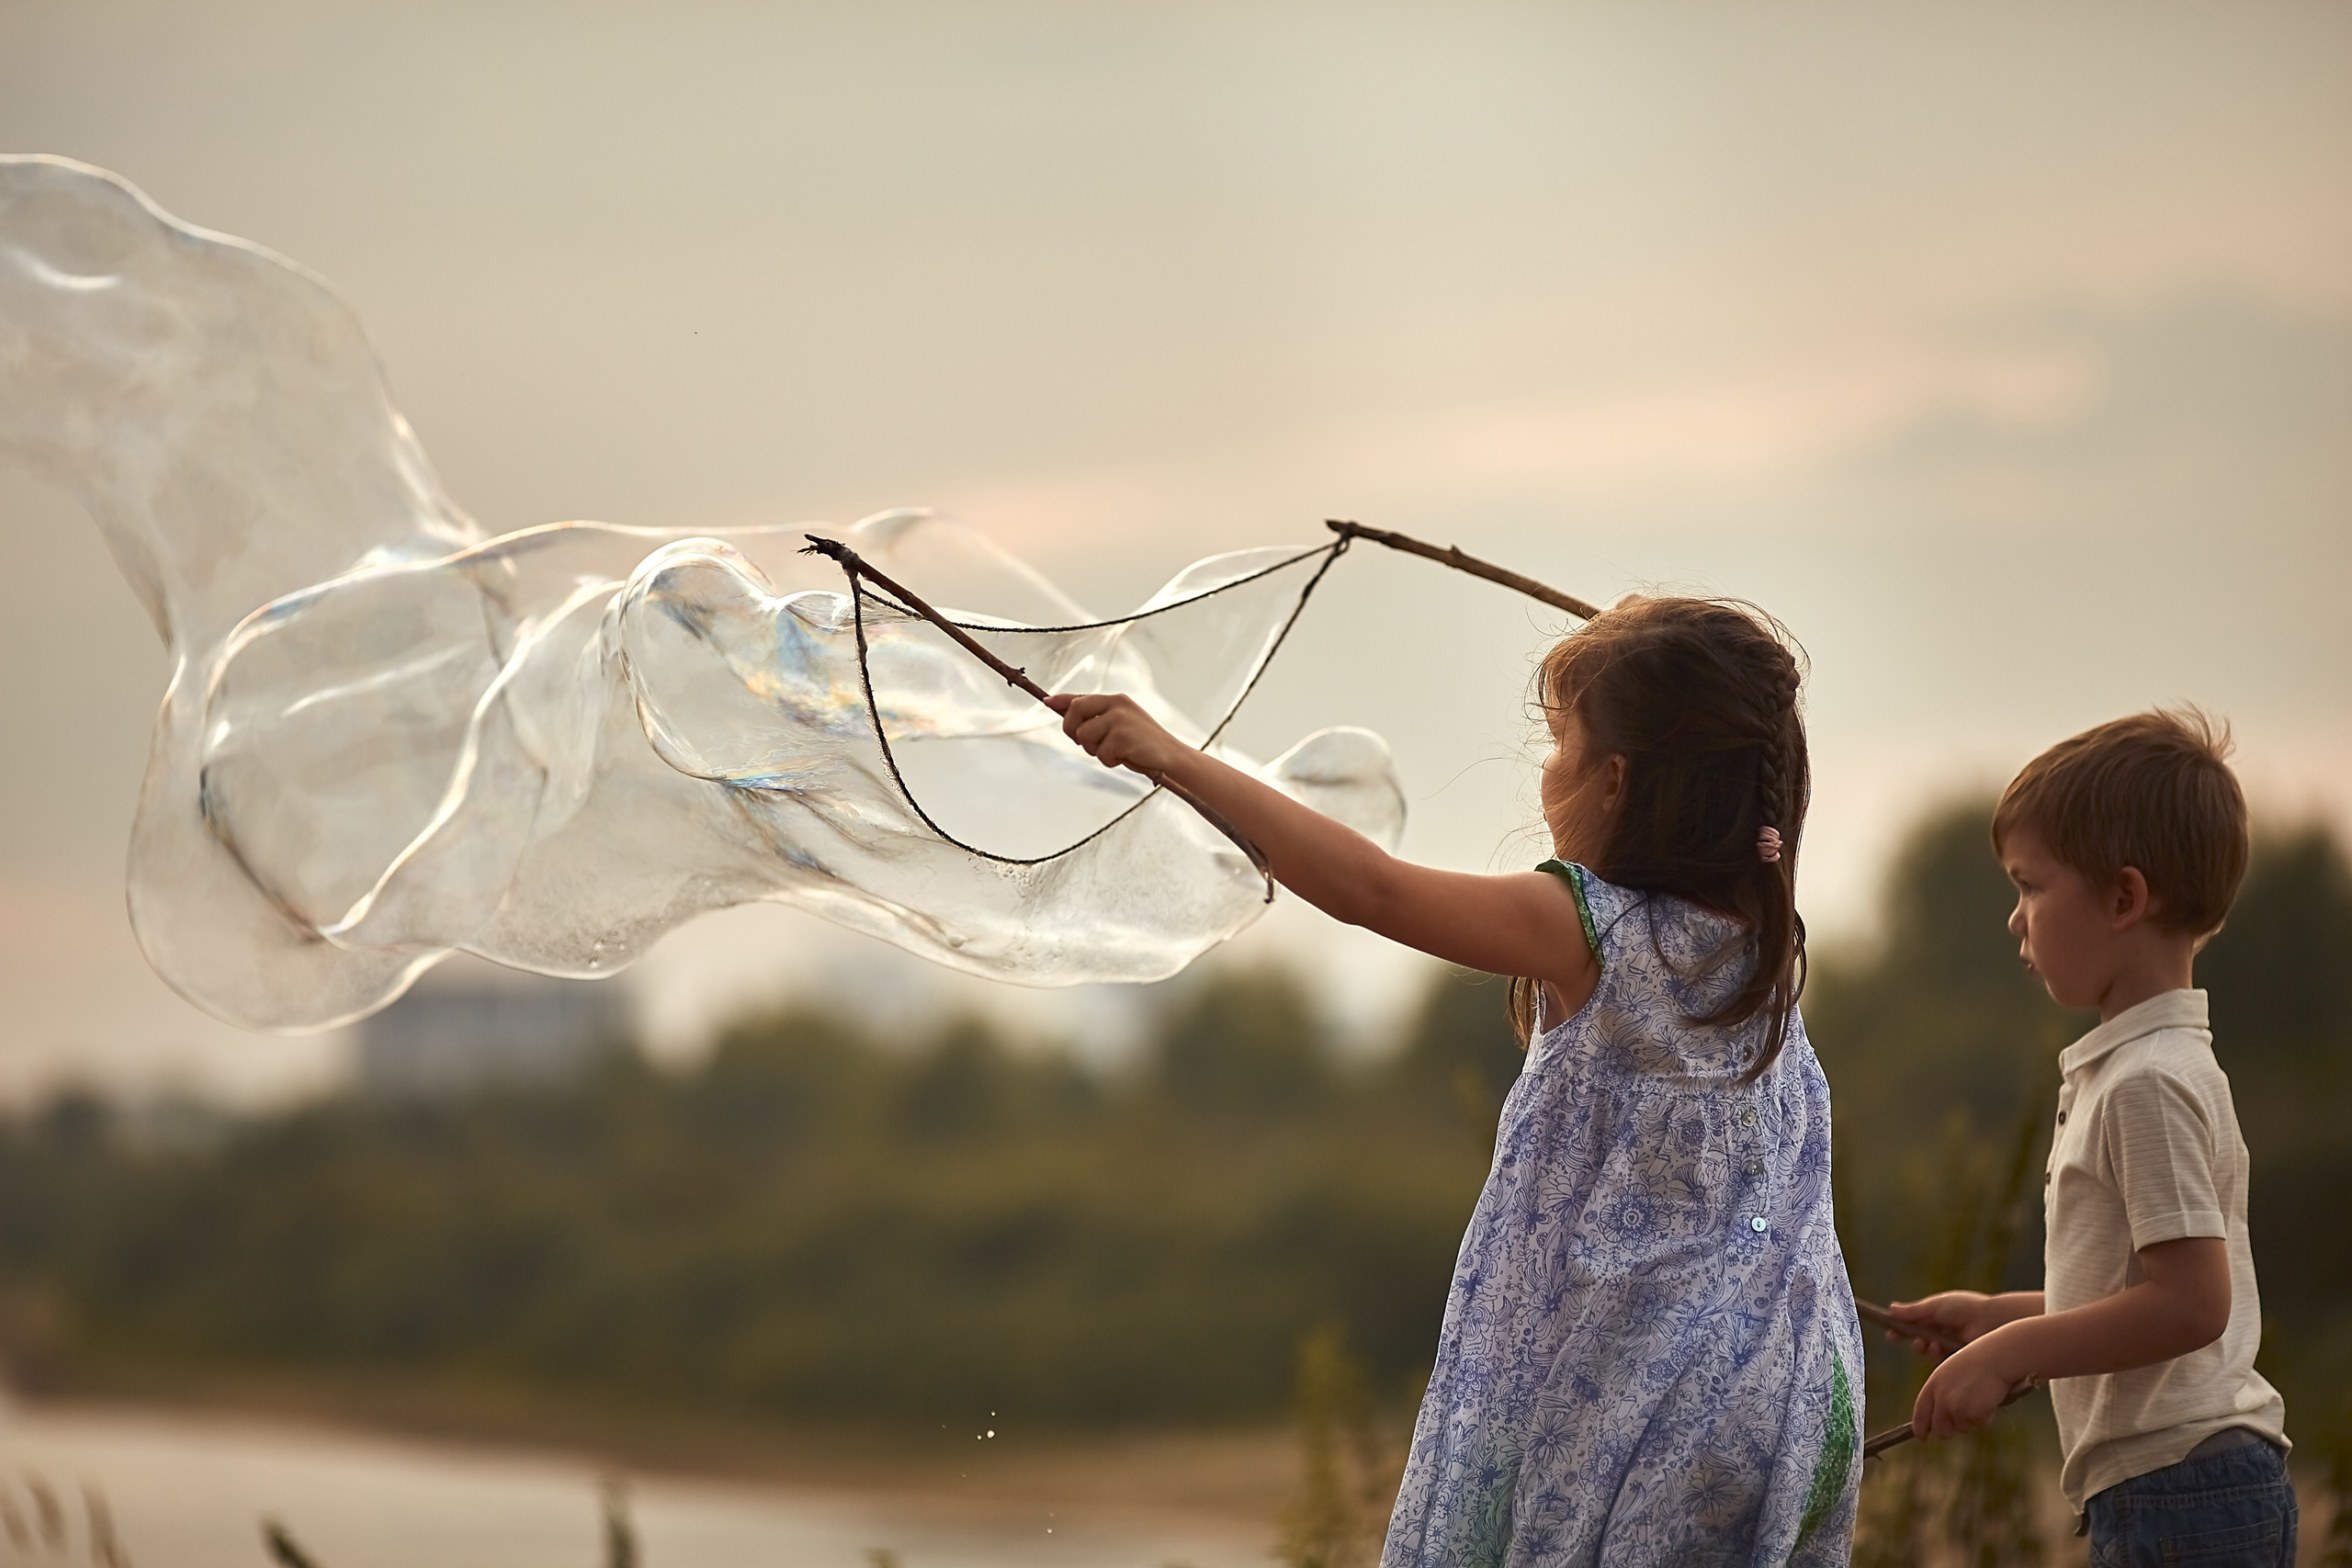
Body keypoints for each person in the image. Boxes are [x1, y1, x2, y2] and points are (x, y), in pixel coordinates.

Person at [1051, 595, 1862, 1566]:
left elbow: (1371, 889)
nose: (1545, 774)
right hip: (1785, 1398)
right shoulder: (1765, 962)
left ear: (1615, 781)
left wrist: (1171, 755)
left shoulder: (1590, 926)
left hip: (1632, 1405)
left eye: (1559, 746)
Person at [1887, 709, 2295, 1563]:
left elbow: (2191, 1305)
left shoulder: (2148, 1081)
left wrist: (2013, 1351)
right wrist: (2000, 1318)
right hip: (2174, 1488)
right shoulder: (2137, 1068)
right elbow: (2141, 1294)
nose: (2014, 917)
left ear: (2123, 898)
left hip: (2184, 1495)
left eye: (2030, 886)